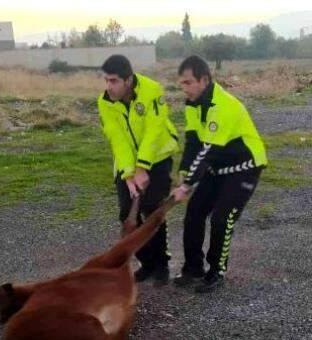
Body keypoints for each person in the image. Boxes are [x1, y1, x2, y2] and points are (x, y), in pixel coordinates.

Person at [171, 55, 268, 293]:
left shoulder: (223, 105)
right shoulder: (192, 105)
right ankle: (193, 268)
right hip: (217, 167)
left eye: (188, 83)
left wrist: (187, 185)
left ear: (204, 80)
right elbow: (193, 143)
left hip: (244, 167)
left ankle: (216, 271)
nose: (184, 89)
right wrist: (185, 174)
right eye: (181, 83)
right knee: (194, 211)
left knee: (222, 218)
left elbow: (209, 151)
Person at [97, 54, 179, 285]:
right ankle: (147, 263)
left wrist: (143, 166)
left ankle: (162, 264)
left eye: (113, 81)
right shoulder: (104, 102)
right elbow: (117, 138)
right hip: (128, 163)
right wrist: (129, 173)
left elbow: (154, 131)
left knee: (152, 209)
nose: (109, 87)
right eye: (106, 80)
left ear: (129, 80)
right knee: (127, 213)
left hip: (158, 157)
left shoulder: (152, 90)